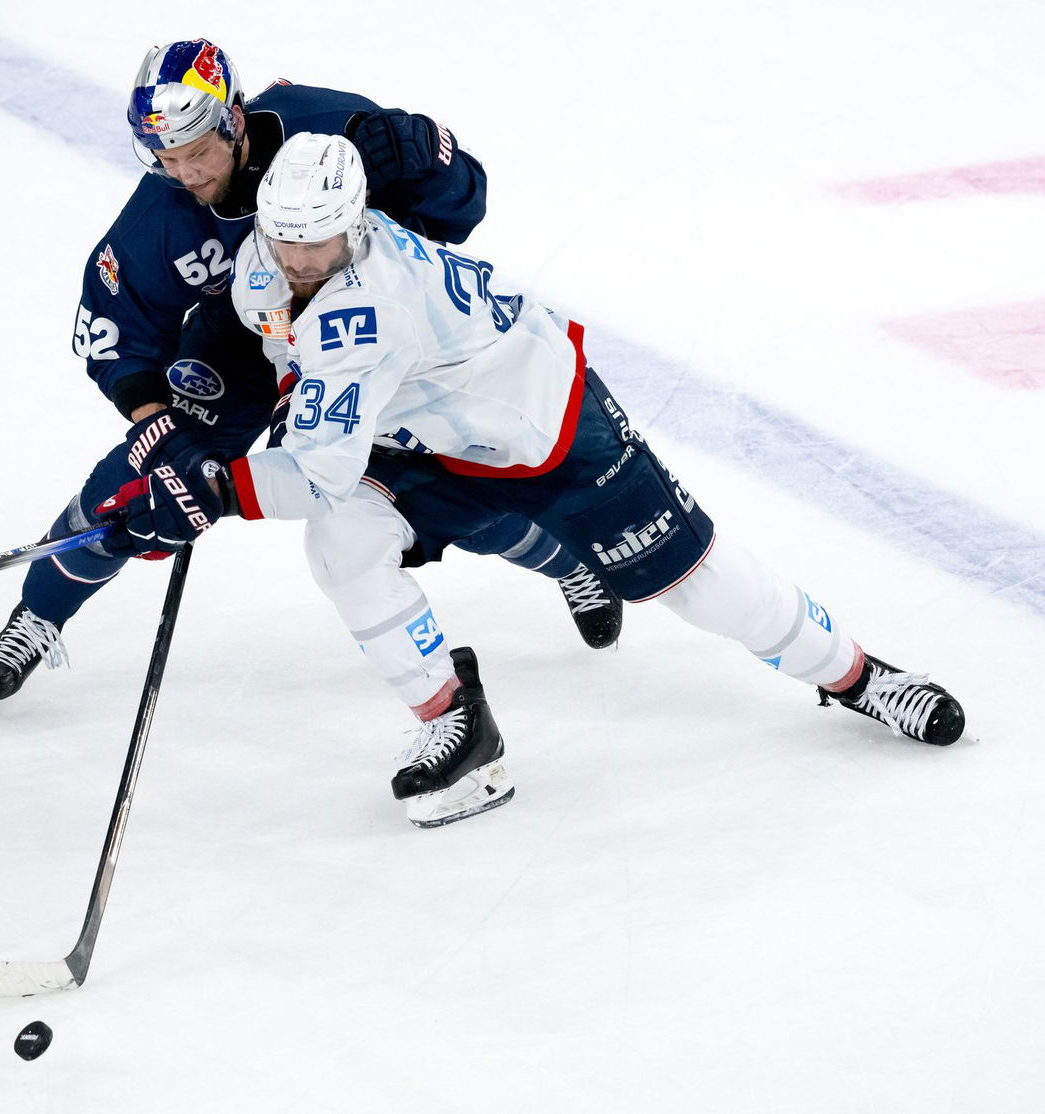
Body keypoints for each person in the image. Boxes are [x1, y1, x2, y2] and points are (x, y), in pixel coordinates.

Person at [102, 132, 967, 828]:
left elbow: (318, 468)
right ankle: (456, 724)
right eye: (284, 237)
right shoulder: (272, 258)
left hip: (547, 431)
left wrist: (211, 491)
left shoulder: (370, 309)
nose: (296, 258)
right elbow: (289, 367)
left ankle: (855, 675)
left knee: (697, 587)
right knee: (345, 544)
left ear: (357, 221)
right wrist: (198, 450)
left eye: (316, 240)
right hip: (426, 437)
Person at [0, 39, 622, 712]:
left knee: (437, 488)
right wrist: (164, 437)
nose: (185, 174)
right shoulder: (161, 215)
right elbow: (119, 340)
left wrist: (423, 157)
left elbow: (462, 211)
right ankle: (40, 614)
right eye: (167, 159)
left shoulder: (326, 131)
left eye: (197, 153)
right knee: (134, 484)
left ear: (235, 121)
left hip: (372, 340)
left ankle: (566, 561)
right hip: (247, 342)